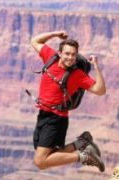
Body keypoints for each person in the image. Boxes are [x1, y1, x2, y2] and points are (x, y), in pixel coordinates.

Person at [29, 30, 106, 171]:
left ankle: (85, 156)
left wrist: (96, 67)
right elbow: (35, 41)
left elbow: (100, 90)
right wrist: (55, 34)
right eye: (67, 54)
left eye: (73, 55)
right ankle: (81, 143)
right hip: (43, 115)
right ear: (59, 53)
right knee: (50, 155)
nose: (70, 58)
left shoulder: (77, 74)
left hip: (56, 119)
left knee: (40, 161)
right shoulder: (50, 57)